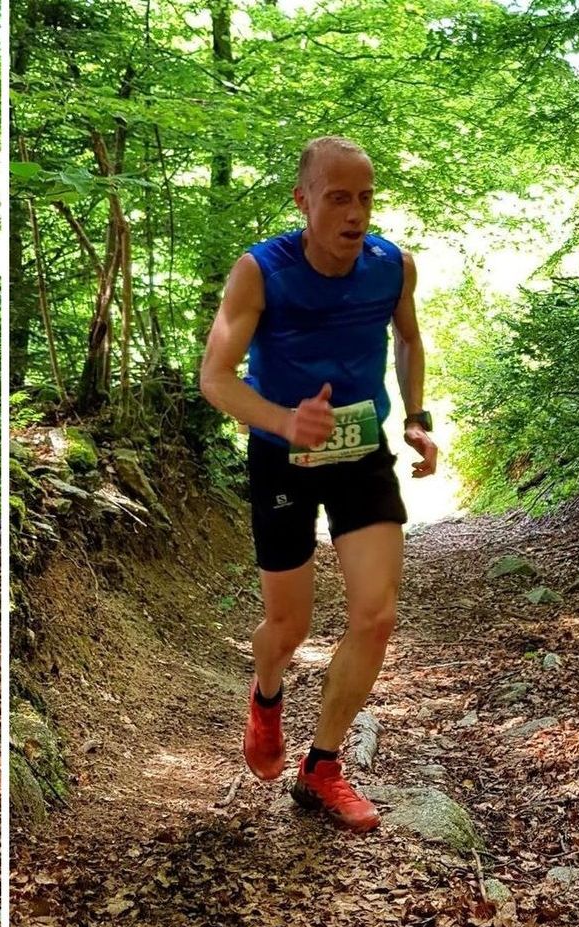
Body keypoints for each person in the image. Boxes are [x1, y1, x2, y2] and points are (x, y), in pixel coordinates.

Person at [198, 136, 438, 831]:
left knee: (376, 613)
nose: (355, 212)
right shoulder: (260, 272)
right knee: (288, 623)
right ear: (303, 200)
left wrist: (417, 417)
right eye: (338, 197)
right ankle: (266, 694)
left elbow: (409, 338)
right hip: (282, 456)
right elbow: (215, 379)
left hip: (360, 449)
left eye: (365, 197)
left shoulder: (392, 266)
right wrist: (282, 419)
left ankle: (323, 765)